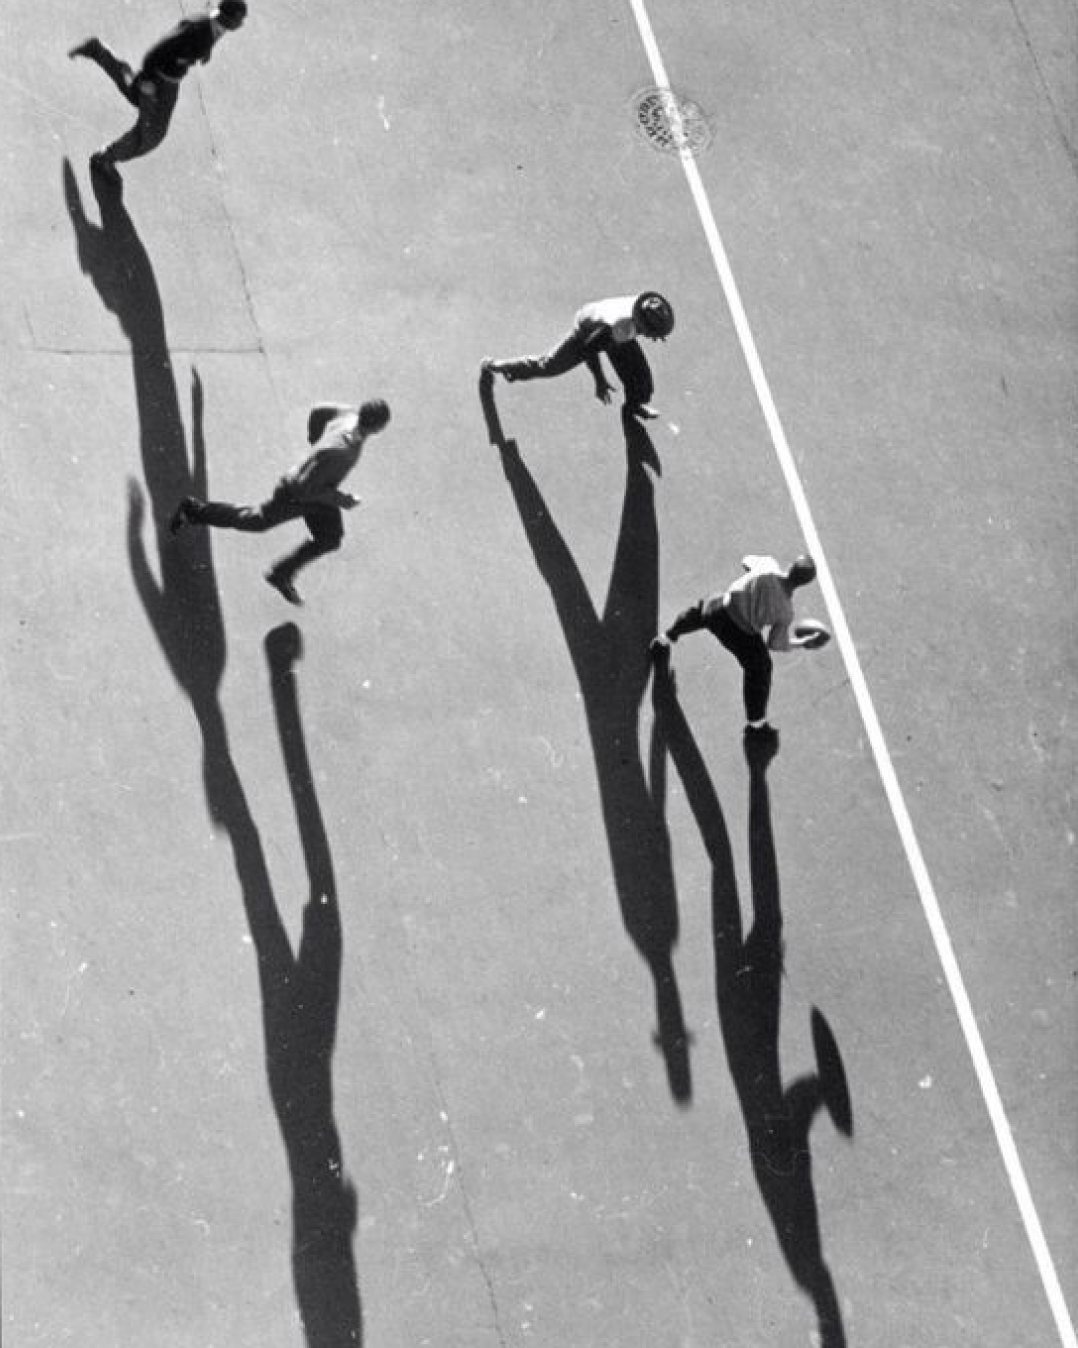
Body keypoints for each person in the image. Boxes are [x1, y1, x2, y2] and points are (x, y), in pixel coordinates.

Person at [169, 398, 392, 606]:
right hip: (297, 494)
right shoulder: (343, 451)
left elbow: (318, 411)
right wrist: (343, 500)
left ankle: (282, 574)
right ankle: (194, 511)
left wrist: (314, 442)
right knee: (256, 520)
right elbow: (307, 488)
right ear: (376, 428)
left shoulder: (348, 415)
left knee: (330, 538)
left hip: (316, 492)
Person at [68, 0, 248, 184]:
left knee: (134, 94)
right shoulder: (199, 31)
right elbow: (158, 51)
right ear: (225, 19)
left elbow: (195, 40)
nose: (233, 28)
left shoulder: (210, 26)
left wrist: (205, 51)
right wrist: (147, 79)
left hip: (165, 78)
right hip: (161, 82)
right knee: (153, 134)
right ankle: (104, 158)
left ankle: (97, 50)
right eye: (234, 23)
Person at [650, 555, 827, 732]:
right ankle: (756, 723)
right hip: (739, 634)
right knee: (760, 669)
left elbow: (747, 560)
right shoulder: (785, 611)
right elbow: (775, 644)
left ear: (790, 566)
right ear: (804, 584)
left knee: (698, 612)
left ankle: (665, 639)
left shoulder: (766, 566)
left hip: (719, 609)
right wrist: (803, 642)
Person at [481, 291, 674, 420]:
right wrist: (600, 381)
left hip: (616, 331)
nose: (652, 337)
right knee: (549, 366)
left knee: (641, 377)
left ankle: (634, 406)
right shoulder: (617, 326)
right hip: (588, 330)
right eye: (651, 333)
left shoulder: (640, 310)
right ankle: (502, 366)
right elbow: (589, 350)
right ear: (641, 323)